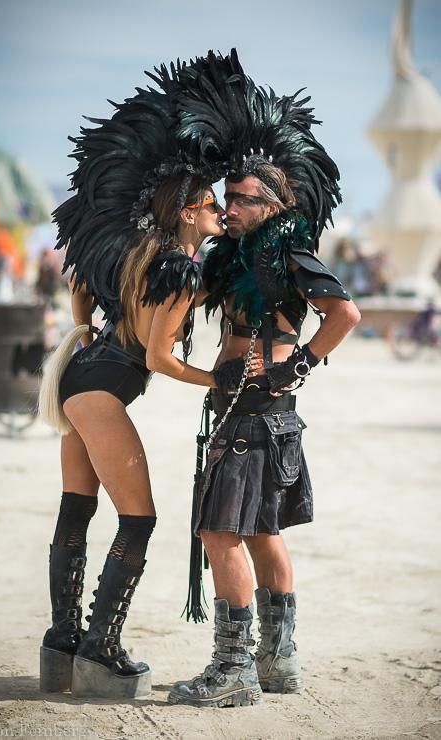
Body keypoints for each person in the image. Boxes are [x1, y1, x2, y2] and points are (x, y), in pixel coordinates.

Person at [157, 51, 361, 708]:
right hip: (261, 415)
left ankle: (235, 669)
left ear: (273, 204)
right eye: (230, 197)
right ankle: (278, 663)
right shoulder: (241, 256)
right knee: (263, 534)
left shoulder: (289, 252)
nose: (233, 204)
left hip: (256, 414)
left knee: (221, 535)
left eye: (243, 198)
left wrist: (300, 364)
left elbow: (345, 312)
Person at [38, 172, 237, 700]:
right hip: (102, 392)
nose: (221, 209)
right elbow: (158, 358)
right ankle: (100, 650)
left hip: (81, 379)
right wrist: (215, 380)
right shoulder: (180, 272)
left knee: (76, 509)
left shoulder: (136, 252)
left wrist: (85, 331)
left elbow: (79, 280)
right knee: (138, 521)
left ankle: (61, 646)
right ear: (188, 213)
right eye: (212, 203)